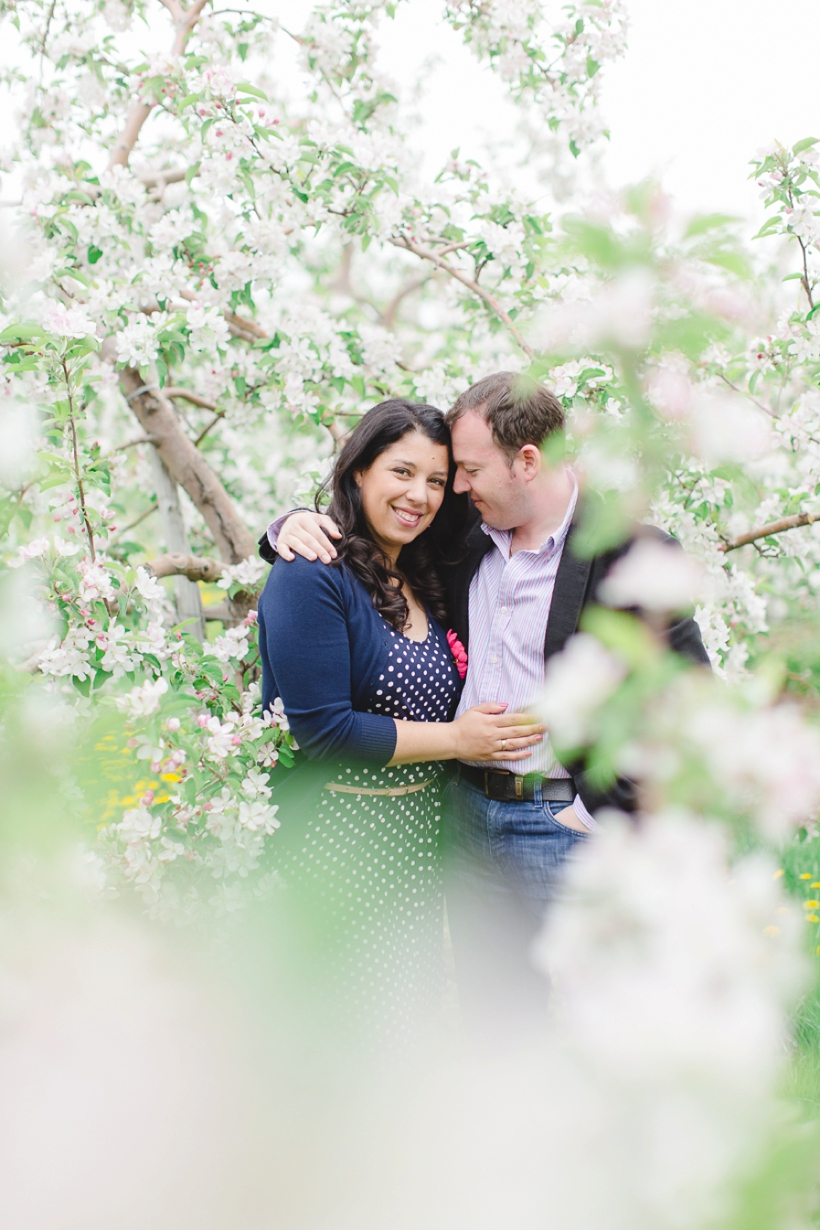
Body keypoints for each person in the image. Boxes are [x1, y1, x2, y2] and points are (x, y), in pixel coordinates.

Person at [265, 374, 710, 1035]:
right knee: (494, 1021)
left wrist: (597, 811)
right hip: (462, 819)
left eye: (465, 472)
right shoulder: (463, 537)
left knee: (611, 1015)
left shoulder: (629, 553)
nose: (453, 490)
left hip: (564, 821)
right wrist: (284, 527)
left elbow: (688, 699)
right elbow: (367, 524)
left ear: (526, 461)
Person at [256, 397, 544, 1045]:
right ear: (358, 471)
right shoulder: (313, 576)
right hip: (335, 851)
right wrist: (460, 740)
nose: (420, 494)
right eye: (402, 472)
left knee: (401, 1042)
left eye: (438, 480)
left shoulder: (421, 571)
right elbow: (323, 732)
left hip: (416, 856)